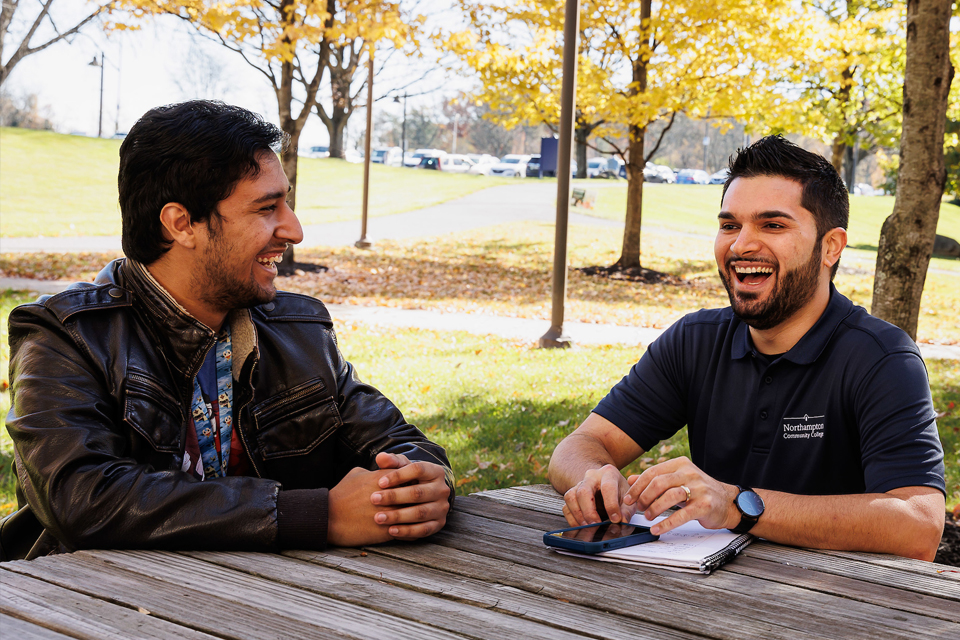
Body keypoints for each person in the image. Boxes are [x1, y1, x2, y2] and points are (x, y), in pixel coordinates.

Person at [0, 100, 453, 561]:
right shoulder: (65, 335)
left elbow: (400, 442)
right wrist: (320, 515)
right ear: (182, 224)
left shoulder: (299, 331)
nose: (294, 229)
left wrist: (419, 484)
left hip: (279, 604)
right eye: (266, 208)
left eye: (287, 202)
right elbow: (81, 497)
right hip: (82, 609)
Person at [548, 135, 945, 561]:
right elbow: (578, 445)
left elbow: (919, 524)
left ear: (830, 247)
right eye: (729, 225)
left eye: (772, 225)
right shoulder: (694, 340)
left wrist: (737, 504)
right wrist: (595, 476)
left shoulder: (881, 358)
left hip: (831, 604)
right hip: (689, 594)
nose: (740, 245)